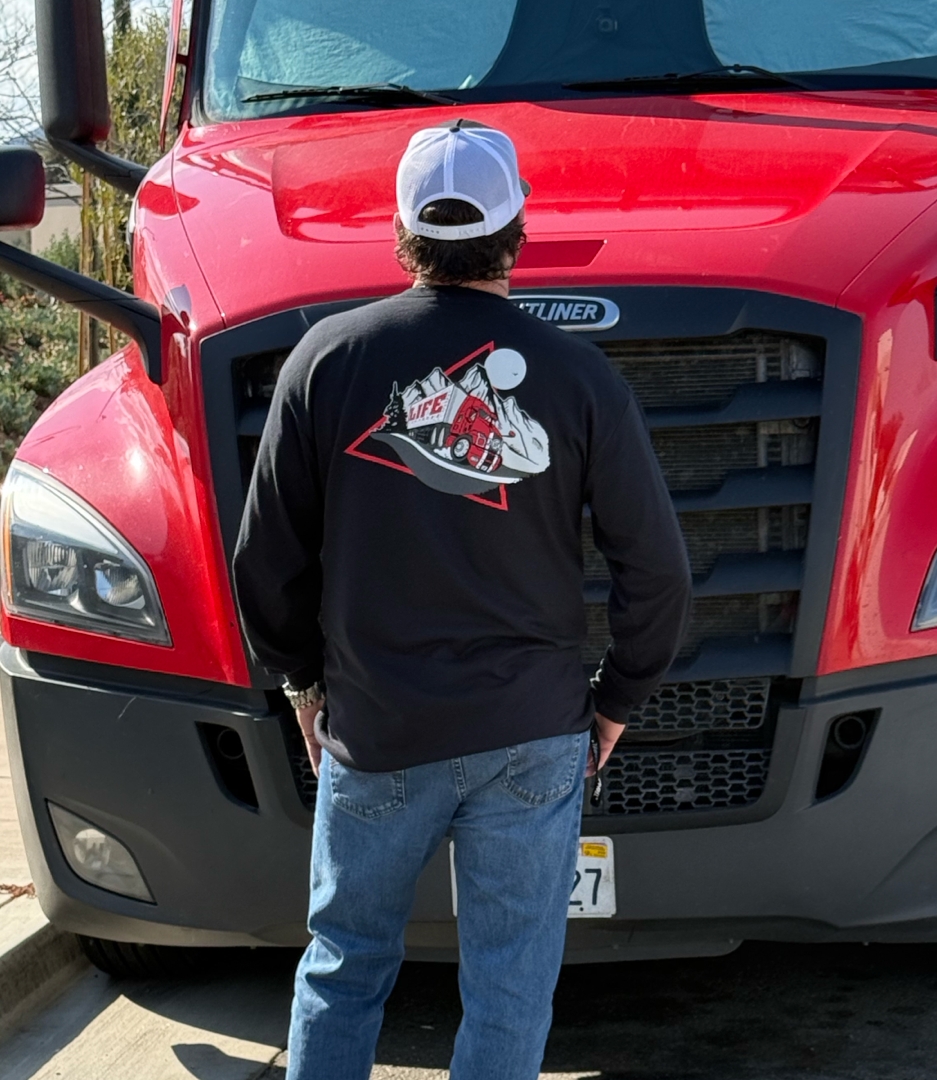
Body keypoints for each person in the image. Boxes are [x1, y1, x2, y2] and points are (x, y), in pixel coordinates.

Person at [232, 120, 691, 1080]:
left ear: (398, 231)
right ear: (517, 227)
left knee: (344, 969)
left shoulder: (324, 361)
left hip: (377, 731)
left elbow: (266, 559)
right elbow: (655, 570)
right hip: (532, 733)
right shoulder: (579, 376)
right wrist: (616, 703)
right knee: (512, 984)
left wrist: (303, 685)